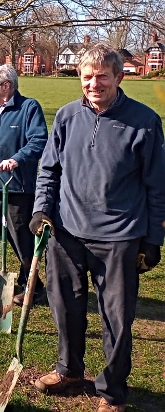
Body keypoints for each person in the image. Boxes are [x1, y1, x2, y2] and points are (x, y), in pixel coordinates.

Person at [31, 44, 165, 412]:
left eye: (102, 76)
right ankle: (69, 370)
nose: (94, 84)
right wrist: (42, 208)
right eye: (87, 76)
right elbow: (49, 169)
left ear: (120, 78)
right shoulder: (66, 116)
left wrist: (153, 240)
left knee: (117, 320)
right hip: (67, 232)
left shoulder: (145, 122)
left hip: (120, 238)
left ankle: (112, 392)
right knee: (65, 308)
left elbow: (157, 186)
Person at [0, 64, 49, 306]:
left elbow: (39, 140)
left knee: (20, 237)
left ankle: (32, 285)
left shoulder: (28, 108)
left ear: (6, 86)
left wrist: (17, 159)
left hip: (17, 186)